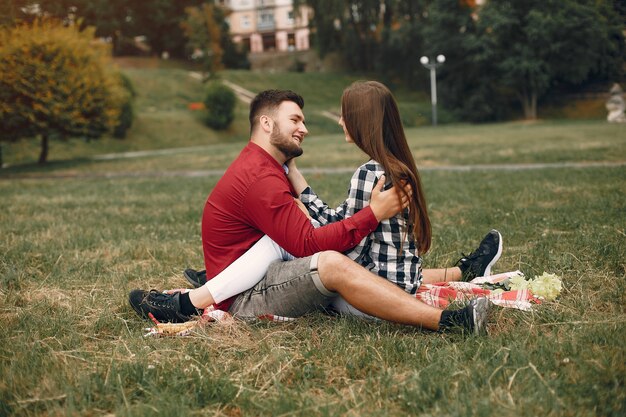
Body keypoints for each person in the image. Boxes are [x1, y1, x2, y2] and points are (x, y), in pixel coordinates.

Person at [129, 88, 494, 334]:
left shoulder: (273, 169)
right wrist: (368, 215)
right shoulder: (262, 177)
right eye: (296, 121)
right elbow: (316, 243)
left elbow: (334, 240)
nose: (306, 128)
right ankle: (447, 320)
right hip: (248, 294)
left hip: (267, 274)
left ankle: (195, 295)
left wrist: (303, 188)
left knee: (324, 251)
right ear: (266, 123)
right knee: (325, 258)